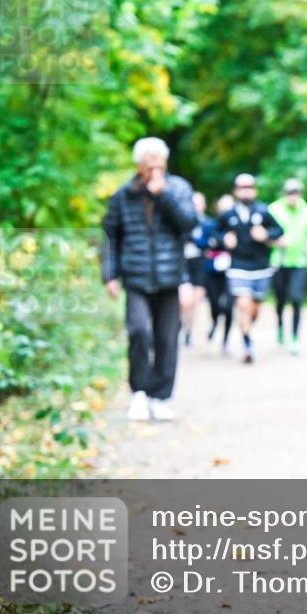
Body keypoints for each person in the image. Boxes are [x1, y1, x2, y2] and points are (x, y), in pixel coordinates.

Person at [101, 137, 197, 421]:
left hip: (170, 276)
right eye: (148, 163)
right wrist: (110, 275)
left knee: (167, 338)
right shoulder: (123, 195)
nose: (154, 169)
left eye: (159, 162)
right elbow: (110, 235)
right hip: (136, 277)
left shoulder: (178, 189)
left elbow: (190, 224)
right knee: (139, 332)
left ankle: (160, 396)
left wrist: (163, 195)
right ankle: (139, 393)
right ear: (139, 165)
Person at [217, 173, 284, 364]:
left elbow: (279, 230)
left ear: (254, 190)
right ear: (236, 191)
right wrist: (224, 240)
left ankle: (246, 330)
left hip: (261, 267)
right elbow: (216, 233)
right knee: (243, 304)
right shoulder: (228, 215)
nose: (246, 192)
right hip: (238, 266)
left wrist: (266, 234)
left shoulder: (263, 211)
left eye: (249, 188)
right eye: (242, 188)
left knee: (255, 309)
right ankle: (247, 345)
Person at [269, 178, 307, 354]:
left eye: (296, 192)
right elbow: (266, 234)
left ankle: (295, 337)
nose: (293, 196)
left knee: (296, 298)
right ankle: (281, 325)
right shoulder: (274, 209)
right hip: (279, 261)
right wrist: (276, 240)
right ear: (285, 193)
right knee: (280, 299)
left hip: (300, 261)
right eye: (290, 193)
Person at [203, 194, 236, 356]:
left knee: (229, 307)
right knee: (215, 305)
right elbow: (202, 242)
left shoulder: (238, 226)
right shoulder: (211, 226)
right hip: (213, 272)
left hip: (232, 272)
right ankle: (215, 322)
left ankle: (225, 340)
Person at [179, 191, 210, 347]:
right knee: (184, 300)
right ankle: (179, 326)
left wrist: (196, 240)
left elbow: (209, 243)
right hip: (184, 263)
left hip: (200, 265)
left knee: (194, 301)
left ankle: (188, 331)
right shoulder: (181, 222)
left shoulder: (207, 223)